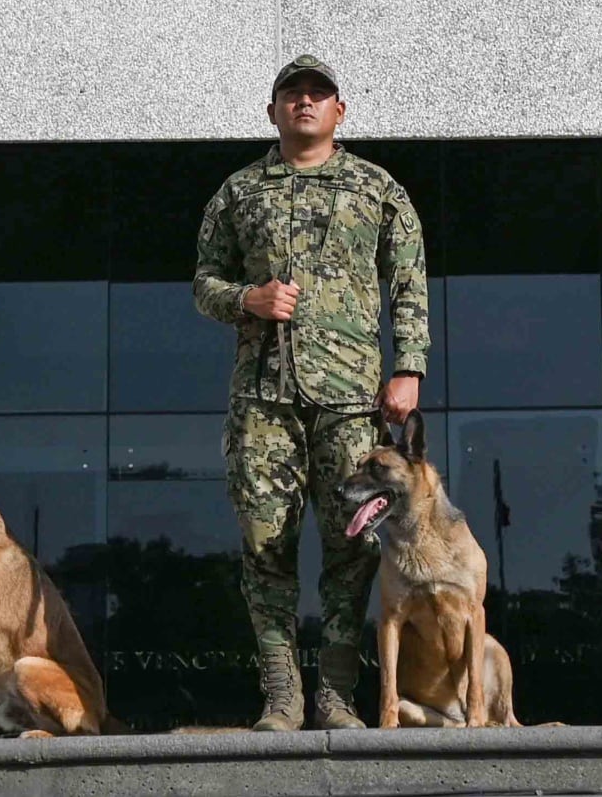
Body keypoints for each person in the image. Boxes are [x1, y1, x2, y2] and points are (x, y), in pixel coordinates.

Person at [192, 55, 429, 731]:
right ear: (272, 112)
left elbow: (409, 278)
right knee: (266, 545)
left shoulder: (377, 188)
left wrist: (408, 365)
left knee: (351, 547)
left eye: (318, 94)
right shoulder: (239, 192)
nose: (304, 102)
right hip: (264, 399)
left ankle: (336, 693)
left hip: (351, 396)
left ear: (339, 111)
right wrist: (250, 297)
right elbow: (204, 282)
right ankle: (281, 695)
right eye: (291, 94)